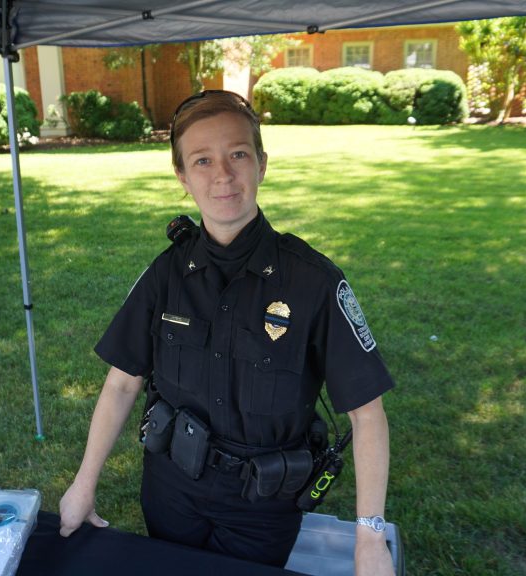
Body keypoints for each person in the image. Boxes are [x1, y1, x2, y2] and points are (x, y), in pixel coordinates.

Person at [59, 90, 396, 576]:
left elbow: (367, 415)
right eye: (202, 160)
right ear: (182, 177)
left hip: (262, 508)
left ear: (262, 163)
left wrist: (370, 538)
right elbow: (122, 382)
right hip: (170, 493)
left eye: (238, 154)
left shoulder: (314, 282)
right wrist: (83, 483)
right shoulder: (165, 274)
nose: (222, 175)